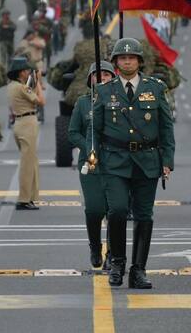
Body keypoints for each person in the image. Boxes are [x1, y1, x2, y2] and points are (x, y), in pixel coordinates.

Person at [93, 38, 175, 289]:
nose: (127, 61)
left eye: (131, 57)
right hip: (115, 160)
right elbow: (95, 128)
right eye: (122, 58)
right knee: (117, 210)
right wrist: (93, 155)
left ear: (140, 61)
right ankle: (117, 262)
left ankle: (138, 269)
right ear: (116, 63)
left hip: (147, 160)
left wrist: (167, 160)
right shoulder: (105, 90)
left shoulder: (156, 88)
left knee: (144, 215)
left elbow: (165, 127)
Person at [68, 61, 114, 269]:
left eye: (106, 74)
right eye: (97, 75)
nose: (102, 78)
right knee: (95, 209)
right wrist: (89, 147)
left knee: (116, 209)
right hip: (91, 164)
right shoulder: (83, 103)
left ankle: (114, 253)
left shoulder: (120, 102)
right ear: (90, 80)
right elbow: (73, 132)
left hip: (117, 162)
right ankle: (95, 247)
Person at [7, 57, 45, 210]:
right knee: (27, 164)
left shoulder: (14, 86)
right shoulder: (21, 88)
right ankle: (23, 199)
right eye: (27, 70)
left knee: (31, 161)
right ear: (21, 72)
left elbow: (30, 96)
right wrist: (39, 83)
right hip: (27, 123)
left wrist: (34, 82)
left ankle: (30, 197)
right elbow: (41, 101)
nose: (29, 72)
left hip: (20, 122)